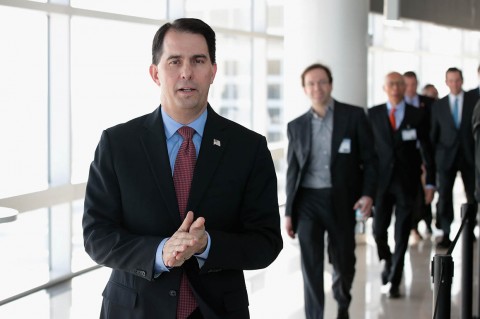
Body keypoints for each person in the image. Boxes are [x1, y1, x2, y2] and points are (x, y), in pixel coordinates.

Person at [82, 18, 283, 319]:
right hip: (134, 310)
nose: (186, 72)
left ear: (213, 71)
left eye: (198, 61)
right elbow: (96, 235)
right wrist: (159, 252)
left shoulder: (248, 148)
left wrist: (207, 245)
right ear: (155, 73)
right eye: (174, 61)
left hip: (217, 310)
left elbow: (266, 242)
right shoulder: (118, 143)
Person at [285, 63, 377, 319]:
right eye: (311, 83)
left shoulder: (354, 116)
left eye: (322, 82)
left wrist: (368, 194)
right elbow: (293, 171)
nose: (317, 87)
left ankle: (343, 300)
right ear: (304, 88)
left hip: (342, 199)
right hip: (307, 201)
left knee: (344, 260)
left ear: (331, 84)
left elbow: (370, 160)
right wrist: (289, 212)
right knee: (311, 265)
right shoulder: (296, 126)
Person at [368, 72, 435, 298]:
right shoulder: (374, 114)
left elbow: (427, 149)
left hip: (407, 182)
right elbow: (367, 153)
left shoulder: (417, 114)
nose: (396, 88)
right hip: (381, 183)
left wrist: (431, 183)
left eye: (399, 84)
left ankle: (396, 276)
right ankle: (387, 259)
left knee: (402, 231)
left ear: (405, 87)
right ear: (384, 88)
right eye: (391, 84)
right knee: (378, 230)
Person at [430, 67, 477, 248]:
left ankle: (470, 229)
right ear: (446, 82)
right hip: (446, 157)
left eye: (457, 80)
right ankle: (446, 232)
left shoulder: (474, 101)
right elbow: (433, 134)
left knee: (471, 195)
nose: (454, 84)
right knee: (444, 196)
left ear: (462, 81)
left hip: (469, 156)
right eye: (451, 80)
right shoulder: (439, 105)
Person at [403, 71, 435, 241]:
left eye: (413, 84)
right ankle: (413, 226)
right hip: (406, 158)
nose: (410, 88)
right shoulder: (398, 106)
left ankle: (427, 222)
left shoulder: (428, 103)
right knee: (412, 193)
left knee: (427, 189)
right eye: (407, 84)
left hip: (425, 153)